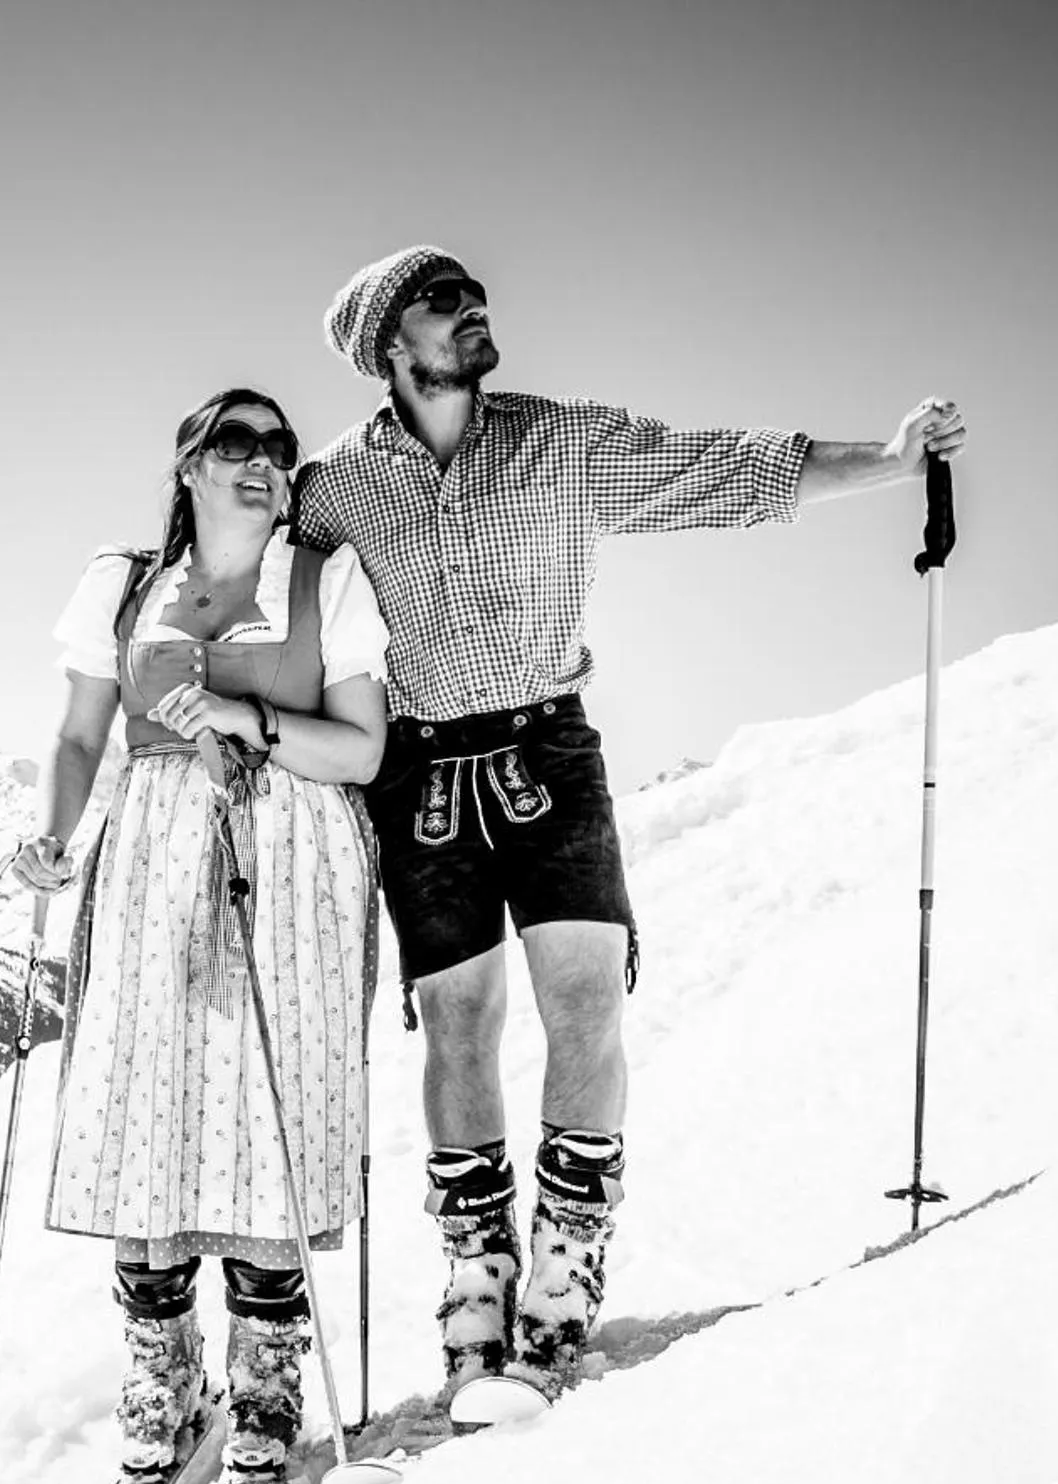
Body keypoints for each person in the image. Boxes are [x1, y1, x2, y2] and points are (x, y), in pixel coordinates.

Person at [292, 245, 970, 1402]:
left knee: (584, 1003)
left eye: (474, 295)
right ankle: (476, 1275)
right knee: (456, 1024)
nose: (473, 311)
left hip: (550, 748)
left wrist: (891, 459)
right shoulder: (332, 488)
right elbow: (263, 597)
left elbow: (724, 470)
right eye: (442, 303)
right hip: (417, 773)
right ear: (386, 344)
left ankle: (563, 1267)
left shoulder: (557, 440)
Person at [13, 387, 390, 1484]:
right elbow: (83, 734)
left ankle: (266, 1379)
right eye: (236, 442)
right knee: (152, 1106)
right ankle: (162, 1377)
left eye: (278, 446)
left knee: (272, 1112)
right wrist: (51, 835)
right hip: (149, 859)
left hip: (294, 851)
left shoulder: (328, 580)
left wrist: (246, 720)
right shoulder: (124, 585)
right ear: (187, 464)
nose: (264, 461)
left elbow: (361, 750)